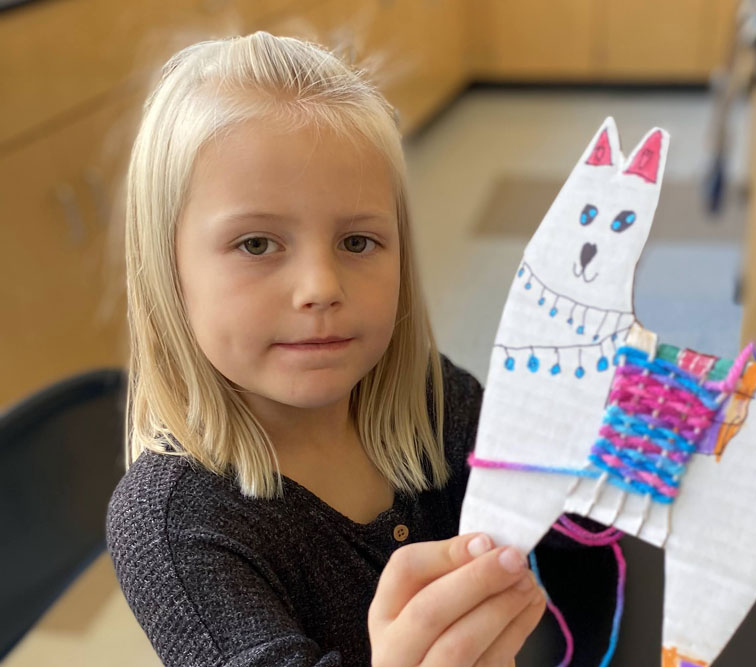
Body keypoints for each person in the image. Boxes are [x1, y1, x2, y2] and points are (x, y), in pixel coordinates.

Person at [105, 31, 549, 666]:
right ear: (166, 272)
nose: (321, 288)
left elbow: (571, 530)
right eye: (257, 244)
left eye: (358, 242)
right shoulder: (173, 527)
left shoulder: (432, 398)